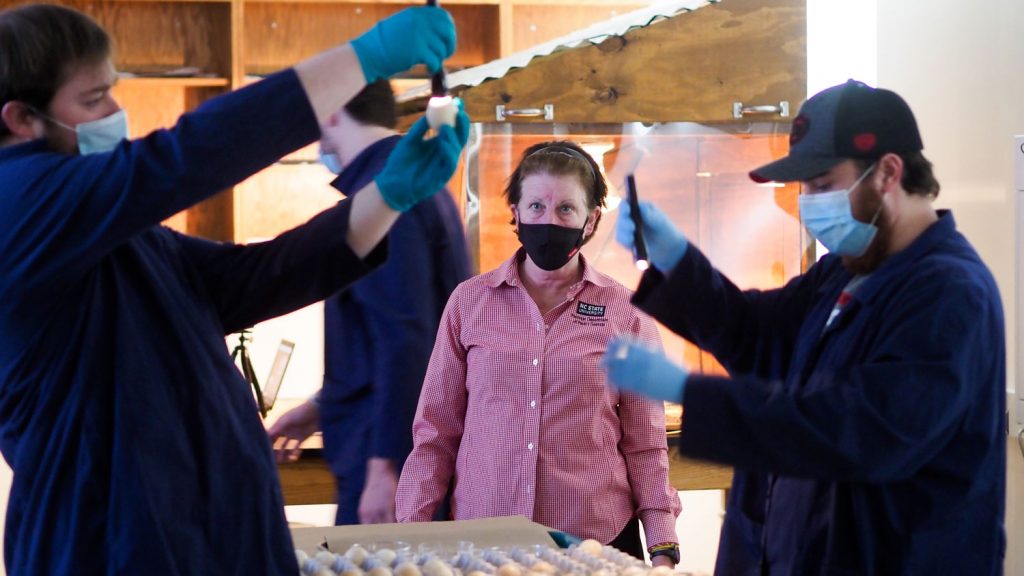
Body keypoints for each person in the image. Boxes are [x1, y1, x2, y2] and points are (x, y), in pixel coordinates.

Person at [0, 3, 469, 574]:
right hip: (109, 543)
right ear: (22, 119)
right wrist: (361, 59)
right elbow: (182, 158)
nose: (116, 112)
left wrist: (386, 197)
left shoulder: (106, 232)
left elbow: (250, 279)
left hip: (198, 536)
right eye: (94, 99)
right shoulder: (18, 204)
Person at [604, 79, 1006, 575]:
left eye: (822, 184)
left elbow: (855, 430)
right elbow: (758, 334)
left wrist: (690, 390)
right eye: (802, 187)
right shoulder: (847, 268)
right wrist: (676, 259)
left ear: (887, 172)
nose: (807, 202)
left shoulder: (949, 294)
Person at [396, 141, 682, 567]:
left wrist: (662, 548)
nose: (548, 220)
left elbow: (645, 446)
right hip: (484, 547)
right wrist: (408, 543)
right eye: (535, 206)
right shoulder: (469, 303)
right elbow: (435, 435)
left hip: (595, 546)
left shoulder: (627, 314)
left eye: (566, 208)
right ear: (515, 213)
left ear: (592, 220)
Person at [266, 79, 470, 525]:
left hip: (386, 456)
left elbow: (408, 339)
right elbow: (382, 334)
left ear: (333, 110)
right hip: (387, 446)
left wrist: (387, 467)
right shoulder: (412, 183)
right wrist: (320, 409)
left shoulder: (387, 197)